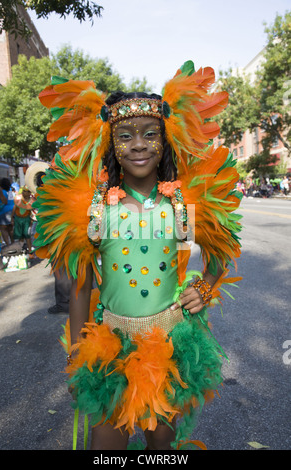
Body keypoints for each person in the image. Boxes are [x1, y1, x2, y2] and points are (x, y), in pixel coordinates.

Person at [33, 62, 242, 450]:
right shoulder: (96, 209)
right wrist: (79, 356)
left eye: (150, 134)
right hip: (109, 346)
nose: (139, 145)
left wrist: (204, 287)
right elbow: (82, 285)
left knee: (160, 445)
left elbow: (221, 247)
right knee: (104, 445)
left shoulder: (181, 204)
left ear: (165, 141)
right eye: (126, 136)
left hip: (167, 345)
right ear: (111, 144)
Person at [12, 186, 33, 254]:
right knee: (20, 236)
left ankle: (30, 251)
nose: (24, 192)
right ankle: (21, 251)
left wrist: (31, 221)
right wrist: (12, 218)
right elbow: (14, 208)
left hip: (26, 219)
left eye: (25, 191)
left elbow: (33, 212)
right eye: (23, 191)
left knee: (27, 236)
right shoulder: (18, 199)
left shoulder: (32, 201)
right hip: (18, 219)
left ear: (29, 193)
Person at [0, 177, 14, 246]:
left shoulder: (2, 192)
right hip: (12, 211)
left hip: (3, 212)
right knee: (10, 229)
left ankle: (8, 245)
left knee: (3, 229)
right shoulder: (10, 191)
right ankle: (13, 243)